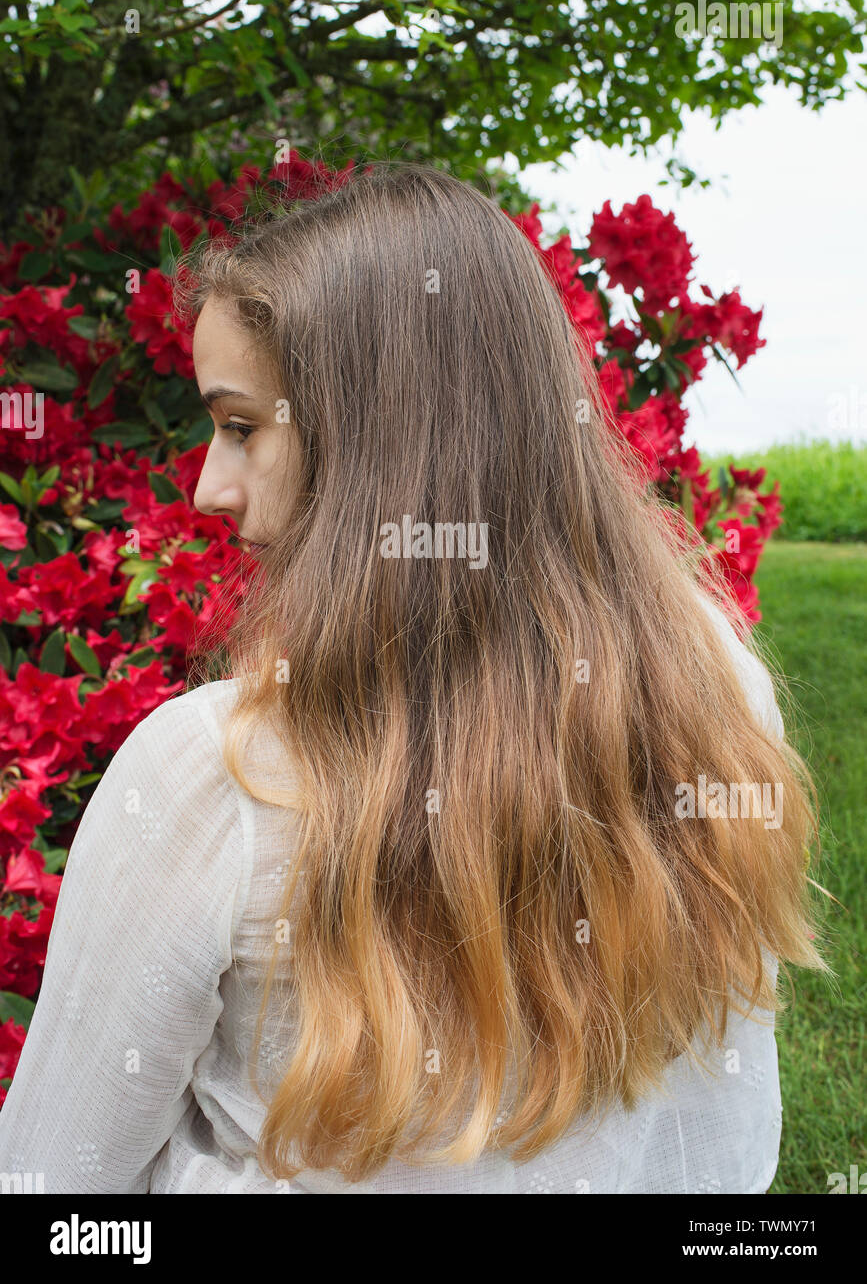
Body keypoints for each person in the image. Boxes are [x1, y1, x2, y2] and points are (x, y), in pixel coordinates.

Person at [0, 162, 830, 1193]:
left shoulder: (216, 780)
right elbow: (721, 1150)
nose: (208, 486)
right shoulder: (708, 690)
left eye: (243, 425)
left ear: (382, 449)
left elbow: (47, 1186)